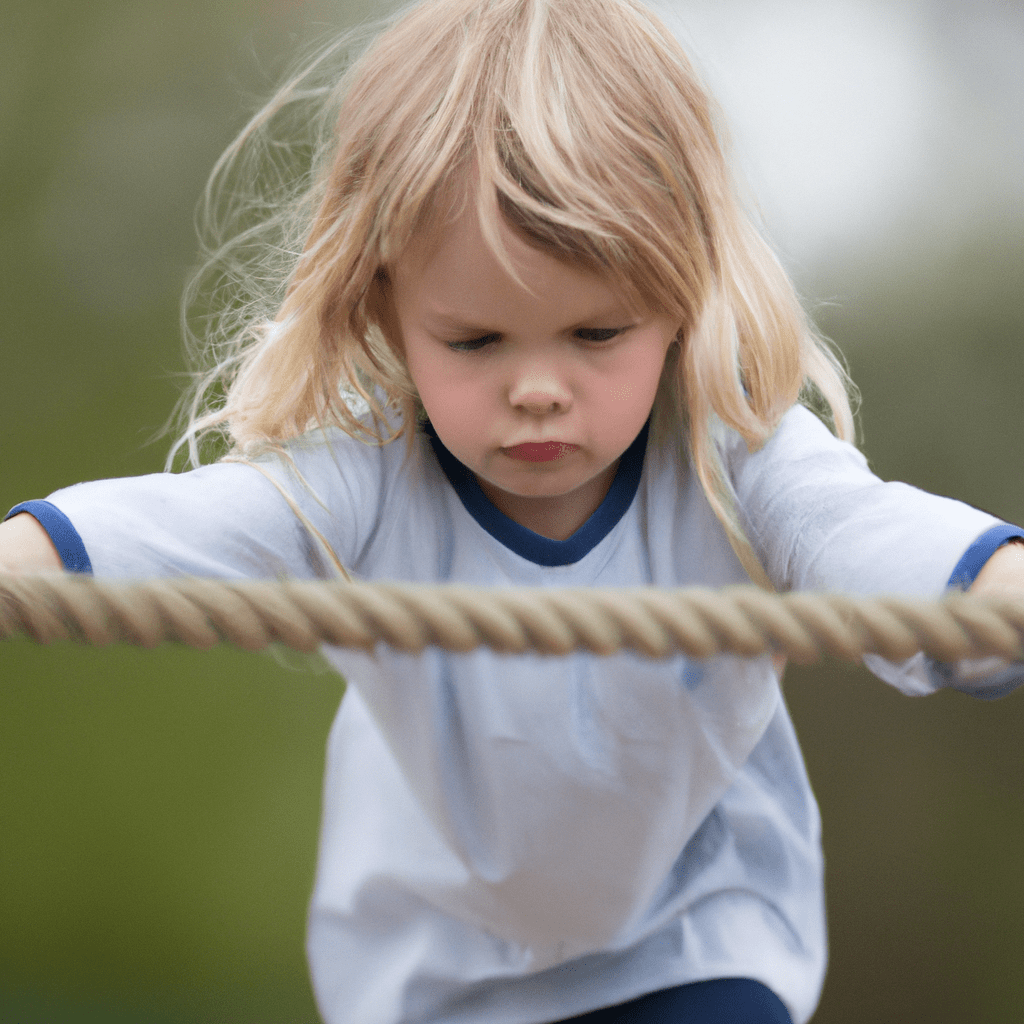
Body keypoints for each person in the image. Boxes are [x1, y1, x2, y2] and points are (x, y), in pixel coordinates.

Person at [2, 0, 1023, 1020]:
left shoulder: (737, 459)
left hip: (695, 937)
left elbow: (868, 533)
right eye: (477, 342)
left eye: (594, 333)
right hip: (439, 968)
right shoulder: (363, 475)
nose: (537, 387)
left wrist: (993, 593)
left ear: (682, 298)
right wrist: (26, 560)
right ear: (385, 310)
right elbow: (193, 527)